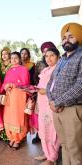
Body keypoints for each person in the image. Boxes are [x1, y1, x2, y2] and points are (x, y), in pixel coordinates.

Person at [47, 22, 82, 165]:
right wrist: (51, 100)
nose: (66, 40)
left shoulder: (80, 57)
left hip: (72, 109)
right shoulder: (62, 59)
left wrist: (58, 101)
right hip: (56, 109)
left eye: (71, 36)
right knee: (65, 145)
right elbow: (50, 82)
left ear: (79, 38)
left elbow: (80, 86)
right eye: (64, 37)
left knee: (75, 149)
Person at [35, 48, 60, 165]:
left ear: (58, 56)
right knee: (43, 129)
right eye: (46, 56)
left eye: (52, 55)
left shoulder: (59, 69)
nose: (48, 58)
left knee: (52, 130)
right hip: (42, 103)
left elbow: (59, 87)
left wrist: (46, 91)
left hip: (51, 103)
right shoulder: (45, 69)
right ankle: (47, 153)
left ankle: (52, 158)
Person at [0, 51, 30, 150]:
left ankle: (17, 139)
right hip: (9, 97)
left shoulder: (24, 69)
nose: (13, 60)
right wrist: (6, 87)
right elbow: (4, 83)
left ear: (20, 59)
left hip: (19, 97)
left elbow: (25, 84)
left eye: (15, 58)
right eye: (12, 58)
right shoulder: (9, 70)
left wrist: (13, 85)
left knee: (17, 117)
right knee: (8, 117)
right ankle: (11, 138)